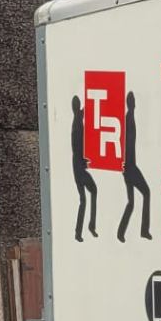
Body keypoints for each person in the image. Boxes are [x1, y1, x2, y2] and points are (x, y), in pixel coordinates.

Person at [117, 92, 152, 243]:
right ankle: (143, 230)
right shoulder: (128, 118)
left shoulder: (129, 117)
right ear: (130, 103)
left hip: (128, 166)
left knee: (131, 202)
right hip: (130, 167)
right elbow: (127, 143)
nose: (134, 103)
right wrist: (125, 164)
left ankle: (121, 232)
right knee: (146, 192)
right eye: (132, 100)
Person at [69, 96, 98, 242]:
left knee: (85, 198)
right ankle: (88, 227)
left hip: (77, 165)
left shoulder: (78, 118)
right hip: (78, 168)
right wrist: (84, 162)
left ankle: (81, 231)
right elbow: (77, 148)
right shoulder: (77, 125)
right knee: (89, 194)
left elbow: (84, 110)